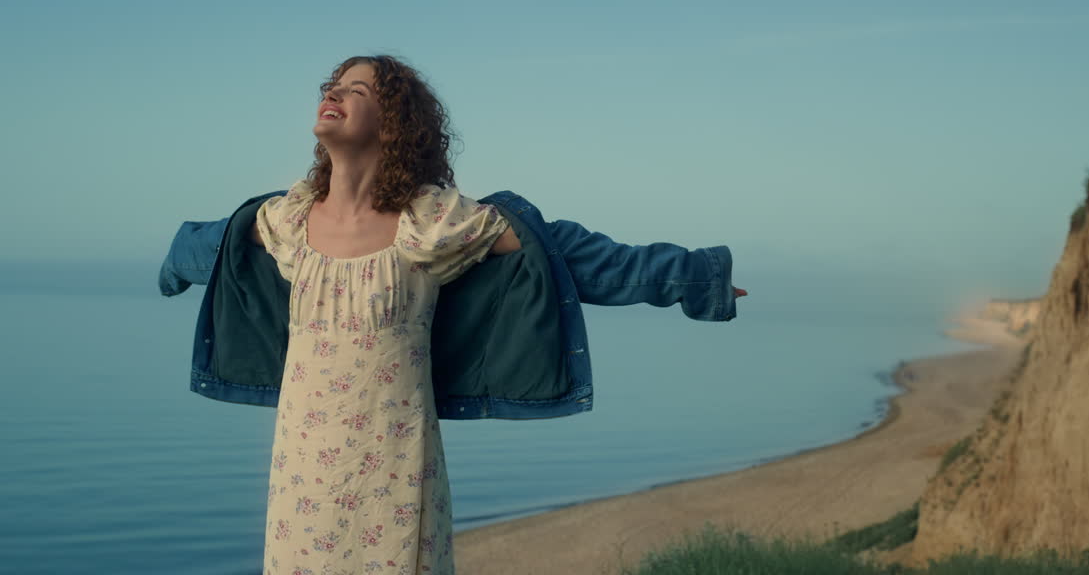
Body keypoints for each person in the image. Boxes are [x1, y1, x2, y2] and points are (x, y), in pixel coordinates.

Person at [239, 54, 745, 575]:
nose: (336, 94)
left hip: (392, 473)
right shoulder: (289, 220)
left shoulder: (427, 222)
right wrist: (172, 267)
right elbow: (206, 246)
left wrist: (692, 278)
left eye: (358, 90)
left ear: (393, 127)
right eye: (334, 85)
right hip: (302, 480)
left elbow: (559, 253)